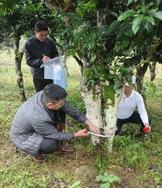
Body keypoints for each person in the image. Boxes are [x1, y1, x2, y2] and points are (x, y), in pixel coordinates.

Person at [10, 84, 100, 163]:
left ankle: (57, 143)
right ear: (49, 105)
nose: (64, 104)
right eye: (61, 103)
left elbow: (71, 110)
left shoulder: (46, 95)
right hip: (24, 137)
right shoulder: (38, 117)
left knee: (61, 111)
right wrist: (76, 134)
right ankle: (35, 153)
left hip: (36, 126)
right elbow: (55, 134)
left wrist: (90, 124)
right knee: (51, 144)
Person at [24, 20, 68, 150]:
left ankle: (59, 125)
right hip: (38, 76)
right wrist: (40, 61)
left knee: (56, 99)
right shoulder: (29, 43)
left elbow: (55, 54)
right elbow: (29, 61)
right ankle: (44, 128)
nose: (44, 37)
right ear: (35, 32)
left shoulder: (49, 42)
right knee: (43, 101)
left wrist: (54, 59)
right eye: (41, 35)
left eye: (46, 35)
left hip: (52, 75)